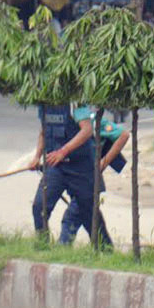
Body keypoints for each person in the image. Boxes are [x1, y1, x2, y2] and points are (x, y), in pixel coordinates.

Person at [57, 114, 131, 247]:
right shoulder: (64, 123)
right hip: (74, 179)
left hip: (90, 181)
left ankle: (62, 248)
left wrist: (103, 162)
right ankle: (106, 250)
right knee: (93, 219)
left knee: (72, 217)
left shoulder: (92, 120)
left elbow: (123, 135)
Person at [29, 104, 94, 245]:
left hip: (79, 166)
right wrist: (37, 157)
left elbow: (87, 130)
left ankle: (103, 249)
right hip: (56, 167)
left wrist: (63, 151)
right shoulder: (44, 103)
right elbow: (43, 132)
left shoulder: (73, 102)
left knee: (88, 213)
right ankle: (43, 246)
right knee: (39, 207)